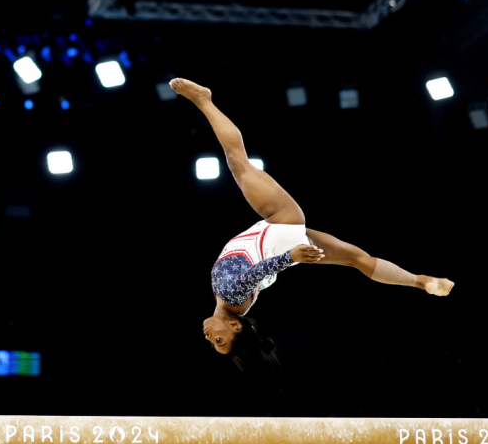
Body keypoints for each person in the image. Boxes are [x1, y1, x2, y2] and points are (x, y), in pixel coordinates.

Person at [168, 78, 455, 370]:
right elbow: (255, 273)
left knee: (358, 259)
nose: (209, 337)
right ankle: (204, 100)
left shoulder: (235, 304)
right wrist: (289, 257)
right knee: (237, 161)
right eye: (219, 340)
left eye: (213, 343)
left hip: (286, 240)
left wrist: (288, 257)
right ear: (235, 326)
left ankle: (422, 281)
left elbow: (257, 275)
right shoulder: (231, 296)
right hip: (280, 223)